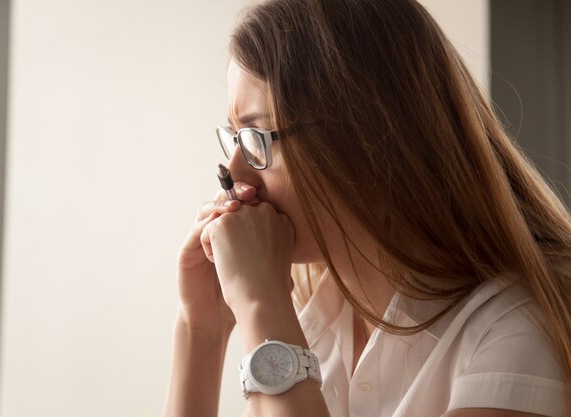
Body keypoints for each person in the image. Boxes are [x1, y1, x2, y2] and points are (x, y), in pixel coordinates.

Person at [163, 0, 571, 416]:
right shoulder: (315, 326)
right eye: (235, 139)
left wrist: (260, 305)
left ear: (362, 139)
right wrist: (201, 330)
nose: (233, 175)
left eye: (257, 139)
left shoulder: (516, 332)